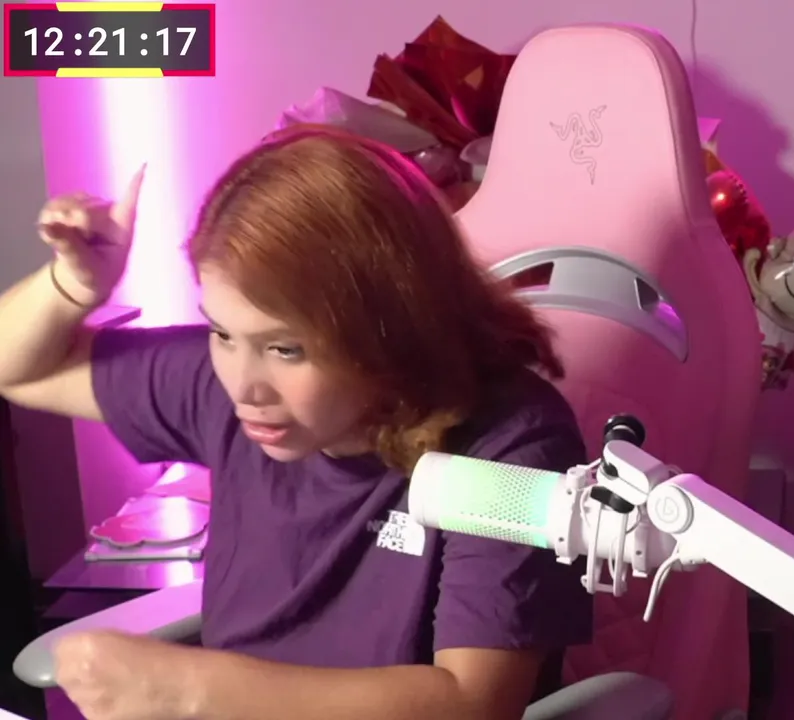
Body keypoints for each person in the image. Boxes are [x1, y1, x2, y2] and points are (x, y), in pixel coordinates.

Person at [0, 125, 593, 720]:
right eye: (221, 332)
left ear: (391, 329)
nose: (244, 387)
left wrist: (189, 690)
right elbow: (18, 371)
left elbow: (474, 704)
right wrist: (72, 286)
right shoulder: (220, 384)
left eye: (286, 349)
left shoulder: (512, 443)